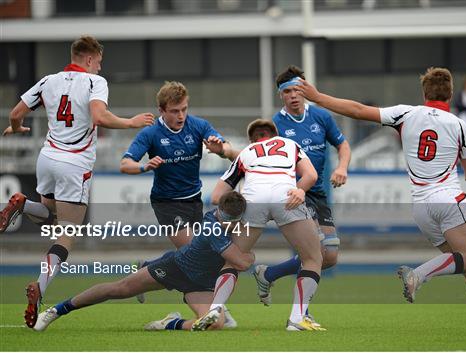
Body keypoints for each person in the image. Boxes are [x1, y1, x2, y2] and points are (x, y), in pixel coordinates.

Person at [295, 67, 466, 334]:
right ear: (451, 94)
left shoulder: (405, 113)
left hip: (421, 208)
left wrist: (317, 96)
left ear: (424, 93)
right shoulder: (458, 124)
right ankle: (419, 275)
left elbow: (358, 110)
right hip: (448, 199)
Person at [0, 35, 155, 328]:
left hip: (47, 158)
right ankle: (40, 288)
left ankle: (22, 203)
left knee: (45, 216)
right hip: (75, 164)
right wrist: (131, 122)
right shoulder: (95, 83)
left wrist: (18, 129)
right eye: (98, 62)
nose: (99, 67)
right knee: (67, 235)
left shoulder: (48, 80)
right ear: (88, 59)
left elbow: (15, 113)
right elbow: (99, 117)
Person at [32, 191, 254, 332]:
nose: (227, 224)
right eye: (224, 219)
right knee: (117, 289)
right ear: (219, 212)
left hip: (201, 285)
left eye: (232, 221)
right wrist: (250, 256)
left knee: (214, 324)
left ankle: (170, 323)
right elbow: (242, 263)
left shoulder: (235, 220)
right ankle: (57, 310)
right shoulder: (214, 226)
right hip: (176, 268)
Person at [193, 119, 326, 331]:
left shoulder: (247, 152)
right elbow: (311, 175)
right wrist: (300, 190)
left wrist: (237, 207)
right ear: (275, 135)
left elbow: (217, 196)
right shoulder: (290, 144)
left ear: (252, 139)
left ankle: (214, 309)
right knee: (313, 258)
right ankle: (297, 318)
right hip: (286, 196)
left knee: (234, 261)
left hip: (253, 199)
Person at [253, 65, 351, 307]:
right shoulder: (275, 125)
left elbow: (343, 146)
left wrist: (342, 168)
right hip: (292, 195)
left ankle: (268, 274)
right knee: (314, 254)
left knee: (330, 256)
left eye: (298, 90)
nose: (293, 96)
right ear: (281, 95)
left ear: (305, 90)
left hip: (317, 194)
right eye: (288, 92)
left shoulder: (321, 117)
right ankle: (300, 313)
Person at [120, 81, 234, 250]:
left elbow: (226, 147)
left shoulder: (198, 125)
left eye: (184, 109)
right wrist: (145, 167)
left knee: (196, 255)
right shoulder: (150, 133)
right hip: (166, 203)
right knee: (196, 252)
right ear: (161, 111)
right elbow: (125, 164)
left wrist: (221, 150)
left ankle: (148, 268)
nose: (181, 116)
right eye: (174, 111)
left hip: (194, 199)